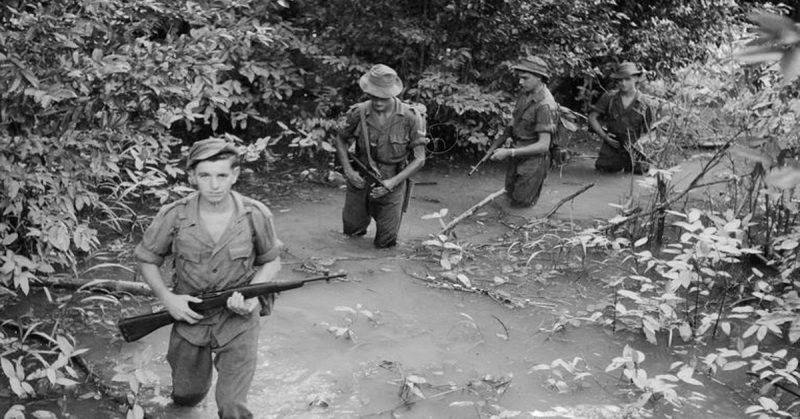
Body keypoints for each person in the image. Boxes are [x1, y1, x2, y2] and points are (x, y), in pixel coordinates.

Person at [134, 138, 283, 419]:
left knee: (232, 407)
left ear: (235, 176)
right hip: (190, 319)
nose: (214, 185)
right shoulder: (174, 216)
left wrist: (251, 295)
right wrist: (168, 299)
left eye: (222, 176)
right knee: (186, 397)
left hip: (238, 323)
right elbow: (147, 259)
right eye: (205, 176)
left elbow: (271, 260)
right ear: (192, 177)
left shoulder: (255, 214)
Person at [334, 64, 427, 248]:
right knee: (352, 234)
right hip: (360, 178)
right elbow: (340, 138)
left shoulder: (411, 117)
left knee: (386, 242)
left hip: (393, 181)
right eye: (373, 96)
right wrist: (349, 171)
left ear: (393, 93)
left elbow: (420, 158)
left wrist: (392, 183)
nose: (377, 102)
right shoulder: (357, 112)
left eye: (383, 97)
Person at [486, 55, 559, 207]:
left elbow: (543, 146)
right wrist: (494, 146)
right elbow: (513, 124)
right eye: (520, 78)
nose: (520, 82)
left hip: (534, 161)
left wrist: (509, 152)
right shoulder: (524, 95)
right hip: (518, 152)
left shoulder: (545, 105)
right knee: (509, 195)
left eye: (525, 78)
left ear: (539, 78)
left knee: (521, 204)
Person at [589, 61, 654, 174]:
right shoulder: (609, 98)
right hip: (612, 144)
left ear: (636, 79)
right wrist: (604, 136)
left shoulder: (645, 103)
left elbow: (651, 131)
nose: (623, 83)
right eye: (619, 80)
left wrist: (641, 144)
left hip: (634, 147)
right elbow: (592, 117)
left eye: (627, 79)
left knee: (639, 173)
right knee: (604, 169)